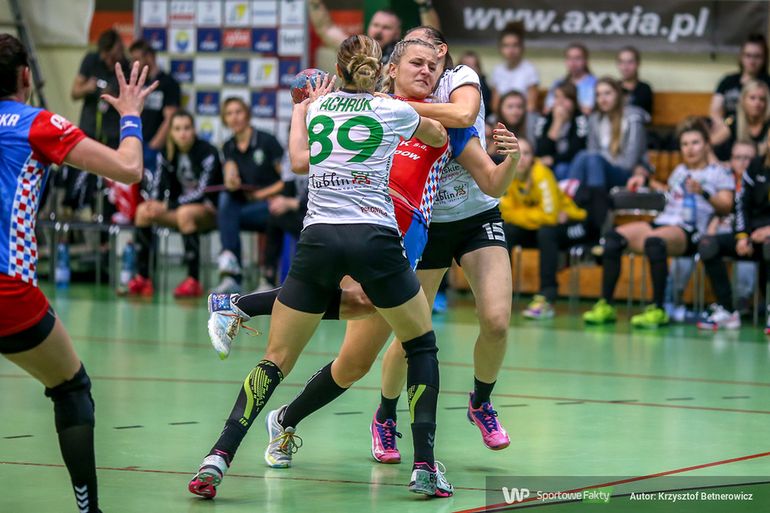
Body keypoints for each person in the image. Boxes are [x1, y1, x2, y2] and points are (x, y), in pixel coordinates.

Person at [188, 35, 453, 499]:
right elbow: (439, 137)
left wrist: (302, 109)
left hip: (319, 240)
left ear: (338, 71)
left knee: (277, 358)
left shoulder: (320, 108)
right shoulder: (394, 110)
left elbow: (297, 162)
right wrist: (408, 113)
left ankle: (217, 456)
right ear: (381, 70)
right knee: (420, 344)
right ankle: (425, 466)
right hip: (374, 239)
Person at [0, 34, 156, 513]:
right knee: (71, 389)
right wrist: (130, 114)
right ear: (26, 75)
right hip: (7, 289)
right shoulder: (37, 124)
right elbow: (128, 168)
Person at [583, 117, 734, 329]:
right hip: (665, 221)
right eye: (685, 144)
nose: (690, 149)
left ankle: (658, 308)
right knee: (613, 238)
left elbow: (727, 206)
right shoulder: (680, 171)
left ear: (707, 145)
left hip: (690, 229)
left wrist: (704, 192)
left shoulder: (719, 172)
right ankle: (606, 305)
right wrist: (645, 181)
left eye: (695, 143)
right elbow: (669, 193)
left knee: (654, 242)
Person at [125, 110, 221, 297]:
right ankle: (143, 278)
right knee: (143, 211)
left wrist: (168, 206)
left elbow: (203, 192)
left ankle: (193, 280)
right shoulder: (166, 153)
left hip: (208, 211)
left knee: (185, 213)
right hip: (178, 209)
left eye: (187, 128)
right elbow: (158, 186)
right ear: (171, 132)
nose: (182, 133)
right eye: (177, 129)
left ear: (194, 130)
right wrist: (154, 204)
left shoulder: (209, 152)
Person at [499, 139, 588, 319]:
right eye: (516, 152)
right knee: (506, 231)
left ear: (533, 157)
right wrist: (530, 214)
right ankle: (499, 295)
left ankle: (547, 297)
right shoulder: (507, 174)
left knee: (546, 233)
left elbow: (550, 216)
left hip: (570, 223)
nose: (521, 158)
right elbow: (505, 213)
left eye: (527, 153)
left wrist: (520, 213)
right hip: (538, 227)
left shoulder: (541, 173)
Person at [698, 138, 770, 333]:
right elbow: (741, 204)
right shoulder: (755, 167)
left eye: (746, 157)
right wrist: (742, 236)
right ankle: (727, 308)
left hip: (767, 236)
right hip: (751, 234)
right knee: (707, 244)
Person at [214, 97, 284, 294]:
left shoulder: (266, 140)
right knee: (226, 199)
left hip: (269, 204)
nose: (234, 117)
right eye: (229, 113)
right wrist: (231, 179)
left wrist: (263, 193)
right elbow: (230, 169)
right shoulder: (228, 146)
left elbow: (286, 181)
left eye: (238, 112)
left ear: (247, 114)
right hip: (246, 208)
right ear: (224, 119)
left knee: (230, 215)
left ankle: (264, 279)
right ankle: (231, 272)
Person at [566, 77, 649, 232]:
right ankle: (576, 213)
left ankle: (584, 219)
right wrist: (601, 159)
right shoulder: (595, 119)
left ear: (617, 94)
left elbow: (629, 162)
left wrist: (602, 159)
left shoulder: (633, 118)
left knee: (592, 160)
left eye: (607, 93)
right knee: (583, 157)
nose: (602, 99)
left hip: (626, 173)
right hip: (599, 171)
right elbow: (592, 152)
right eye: (598, 95)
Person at [307, 0, 439, 63]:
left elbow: (432, 39)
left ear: (397, 33)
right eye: (376, 25)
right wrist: (315, 3)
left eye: (386, 28)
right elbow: (326, 29)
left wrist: (425, 5)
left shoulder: (404, 54)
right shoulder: (357, 49)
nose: (379, 31)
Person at [128, 39, 180, 173]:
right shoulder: (136, 82)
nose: (133, 64)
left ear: (150, 57)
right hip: (135, 144)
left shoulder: (169, 83)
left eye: (136, 59)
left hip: (155, 147)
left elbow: (170, 118)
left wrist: (152, 147)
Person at [711, 34, 770, 126]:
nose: (752, 61)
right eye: (748, 55)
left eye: (757, 56)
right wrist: (724, 128)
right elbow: (715, 112)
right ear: (741, 57)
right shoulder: (728, 81)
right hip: (727, 127)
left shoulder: (768, 83)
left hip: (759, 130)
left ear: (764, 58)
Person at [535, 81, 588, 180]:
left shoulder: (580, 118)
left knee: (561, 169)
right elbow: (541, 151)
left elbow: (577, 150)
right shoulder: (545, 118)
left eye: (566, 98)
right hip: (547, 164)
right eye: (557, 97)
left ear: (574, 102)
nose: (560, 102)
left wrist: (554, 159)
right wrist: (557, 123)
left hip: (571, 164)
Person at [711, 79, 770, 162]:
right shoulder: (734, 122)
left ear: (767, 103)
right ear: (743, 100)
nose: (757, 103)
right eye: (752, 98)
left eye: (762, 99)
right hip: (736, 169)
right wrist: (719, 165)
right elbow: (707, 145)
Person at [488, 22, 539, 113]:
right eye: (506, 46)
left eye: (515, 45)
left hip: (523, 117)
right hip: (501, 116)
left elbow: (531, 106)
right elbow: (495, 106)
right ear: (500, 49)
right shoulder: (497, 70)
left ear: (522, 48)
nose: (511, 50)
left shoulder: (529, 69)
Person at [545, 43, 596, 115]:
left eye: (577, 58)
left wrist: (563, 104)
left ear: (586, 61)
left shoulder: (594, 84)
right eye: (569, 58)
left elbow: (588, 111)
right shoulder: (558, 83)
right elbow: (547, 109)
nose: (573, 62)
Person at [616, 46, 653, 117]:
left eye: (630, 62)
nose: (625, 67)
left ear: (638, 64)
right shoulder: (614, 88)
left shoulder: (644, 89)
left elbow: (647, 116)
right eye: (622, 62)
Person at [460, 51, 492, 119]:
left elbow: (487, 107)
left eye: (473, 66)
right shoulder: (451, 84)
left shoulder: (483, 85)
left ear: (478, 68)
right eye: (466, 66)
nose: (469, 70)